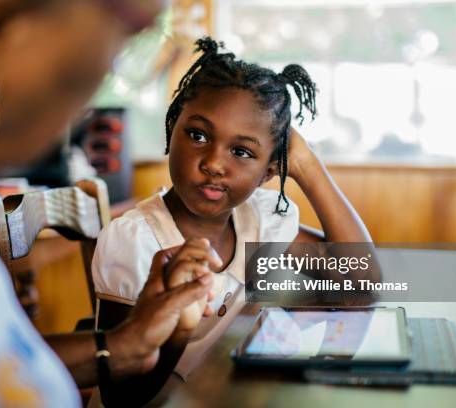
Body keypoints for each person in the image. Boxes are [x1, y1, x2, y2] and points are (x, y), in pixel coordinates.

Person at [0, 1, 219, 407]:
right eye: (127, 36)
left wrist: (125, 344)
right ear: (0, 21)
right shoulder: (137, 233)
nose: (92, 100)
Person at [92, 37, 380, 404]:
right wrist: (178, 325)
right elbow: (123, 397)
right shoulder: (135, 240)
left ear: (268, 173)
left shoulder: (258, 220)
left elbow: (360, 279)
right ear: (171, 130)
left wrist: (306, 165)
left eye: (242, 151)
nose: (213, 162)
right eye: (197, 135)